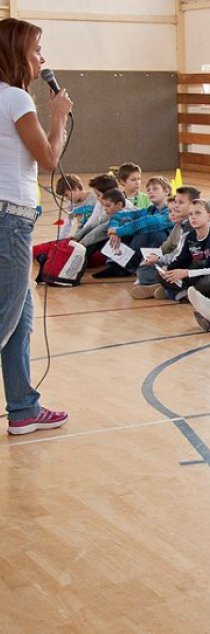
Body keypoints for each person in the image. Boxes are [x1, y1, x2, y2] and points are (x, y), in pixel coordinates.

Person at [0, 17, 72, 434]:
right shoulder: (16, 99)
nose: (41, 59)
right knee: (5, 319)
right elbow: (48, 159)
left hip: (8, 217)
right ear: (16, 53)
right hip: (11, 220)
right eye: (36, 50)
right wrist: (58, 116)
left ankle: (23, 409)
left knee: (20, 321)